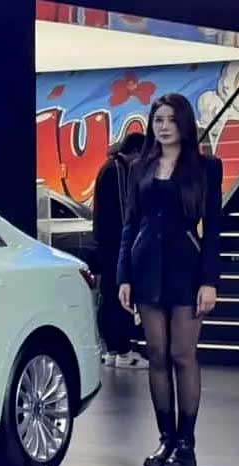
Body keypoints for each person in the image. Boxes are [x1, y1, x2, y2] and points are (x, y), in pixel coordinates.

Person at [116, 93, 223, 466]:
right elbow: (130, 224)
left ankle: (186, 445)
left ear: (184, 124)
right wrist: (124, 275)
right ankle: (166, 440)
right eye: (158, 119)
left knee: (182, 354)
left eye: (171, 120)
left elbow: (213, 229)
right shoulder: (139, 167)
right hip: (145, 268)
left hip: (186, 271)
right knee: (157, 355)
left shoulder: (206, 167)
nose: (163, 127)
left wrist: (209, 280)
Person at [93, 132, 148, 369]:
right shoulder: (117, 171)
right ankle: (124, 351)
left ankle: (113, 349)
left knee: (109, 296)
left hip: (107, 244)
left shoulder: (109, 167)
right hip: (115, 245)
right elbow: (125, 211)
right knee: (120, 297)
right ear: (135, 152)